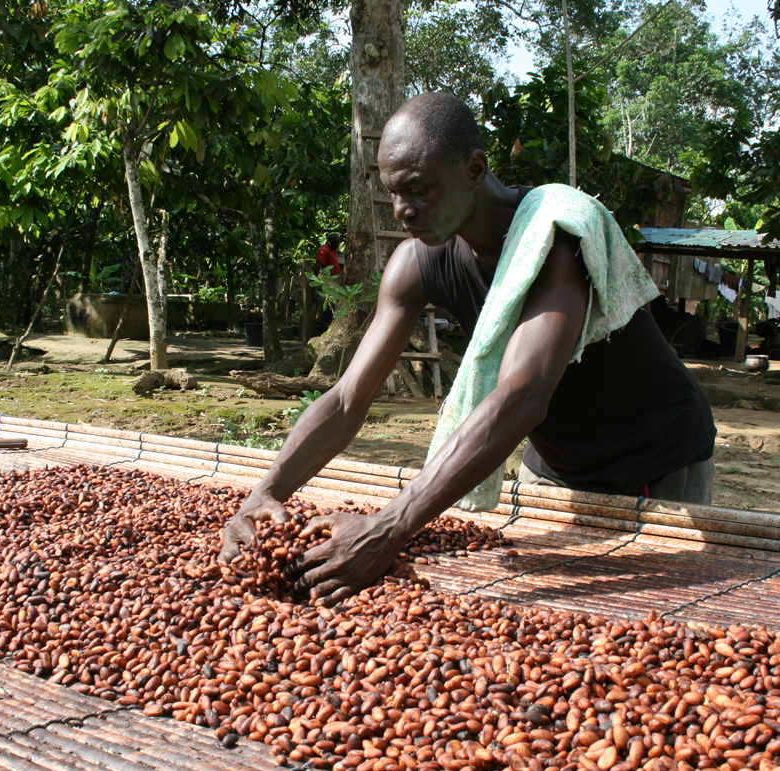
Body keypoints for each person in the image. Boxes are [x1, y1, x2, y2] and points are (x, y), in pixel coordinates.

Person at [219, 93, 716, 605]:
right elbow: (347, 400)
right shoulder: (417, 263)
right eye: (393, 193)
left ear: (474, 169)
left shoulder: (555, 233)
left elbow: (522, 395)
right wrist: (268, 491)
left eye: (417, 190)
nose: (402, 211)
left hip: (654, 457)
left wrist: (389, 527)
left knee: (637, 613)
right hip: (555, 461)